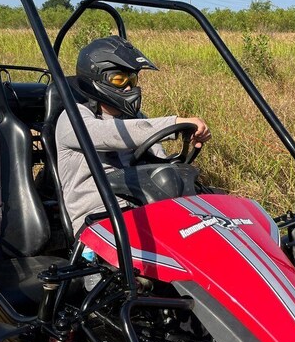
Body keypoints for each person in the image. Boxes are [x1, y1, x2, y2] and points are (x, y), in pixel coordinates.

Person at [55, 35, 211, 235]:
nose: (129, 88)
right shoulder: (72, 117)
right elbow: (112, 135)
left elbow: (159, 160)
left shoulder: (134, 117)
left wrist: (184, 153)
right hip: (97, 221)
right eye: (119, 80)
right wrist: (175, 123)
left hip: (142, 208)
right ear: (97, 78)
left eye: (132, 79)